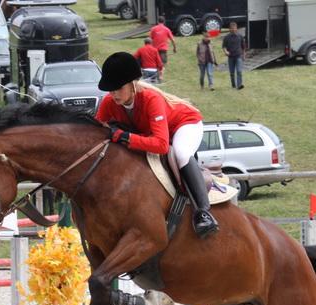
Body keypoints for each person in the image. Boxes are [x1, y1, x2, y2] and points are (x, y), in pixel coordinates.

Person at [95, 52, 219, 239]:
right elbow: (97, 131)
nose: (113, 94)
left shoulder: (151, 98)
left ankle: (203, 213)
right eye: (110, 90)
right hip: (156, 133)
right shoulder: (109, 102)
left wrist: (125, 138)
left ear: (132, 84)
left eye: (118, 89)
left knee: (180, 153)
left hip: (184, 125)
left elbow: (161, 145)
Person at [222, 22, 246, 89]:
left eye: (234, 28)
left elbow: (243, 47)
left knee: (239, 71)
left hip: (238, 56)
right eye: (232, 28)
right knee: (232, 73)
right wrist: (226, 51)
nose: (233, 30)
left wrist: (244, 55)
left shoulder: (240, 36)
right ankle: (233, 85)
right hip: (231, 57)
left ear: (236, 28)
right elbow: (224, 47)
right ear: (229, 29)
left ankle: (239, 85)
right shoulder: (226, 37)